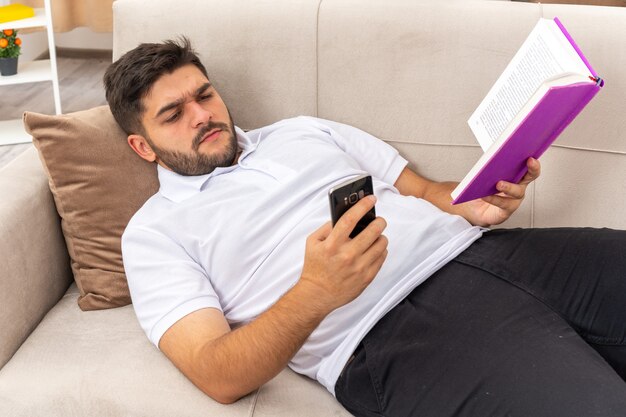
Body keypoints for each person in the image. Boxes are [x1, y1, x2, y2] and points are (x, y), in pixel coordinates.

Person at [103, 38, 626, 417]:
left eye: (204, 94)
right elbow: (216, 373)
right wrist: (315, 292)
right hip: (388, 332)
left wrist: (478, 198)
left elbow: (424, 192)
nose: (202, 115)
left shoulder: (301, 131)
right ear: (142, 146)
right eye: (174, 114)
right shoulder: (154, 233)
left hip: (487, 252)